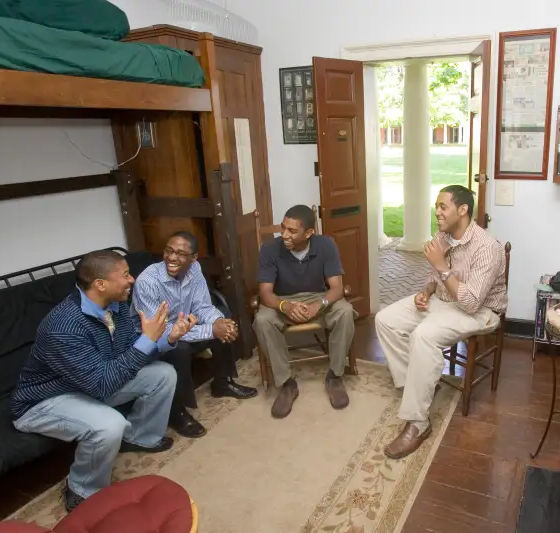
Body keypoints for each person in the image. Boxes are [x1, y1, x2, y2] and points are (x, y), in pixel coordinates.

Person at [10, 250, 194, 512]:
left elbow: (130, 354)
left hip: (89, 383)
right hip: (44, 401)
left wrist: (169, 338)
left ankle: (141, 437)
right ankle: (82, 488)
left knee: (162, 374)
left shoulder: (115, 307)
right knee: (110, 425)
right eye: (125, 274)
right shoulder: (64, 326)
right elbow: (103, 385)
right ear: (100, 284)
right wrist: (147, 339)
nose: (133, 280)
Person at [375, 185, 507, 459]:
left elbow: (471, 302)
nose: (437, 212)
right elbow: (435, 278)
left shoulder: (488, 248)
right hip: (443, 300)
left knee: (423, 336)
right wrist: (426, 291)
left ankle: (418, 422)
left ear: (462, 210)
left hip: (479, 311)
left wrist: (441, 265)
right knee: (385, 319)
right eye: (436, 206)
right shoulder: (443, 236)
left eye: (442, 207)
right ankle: (418, 382)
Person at [133, 231, 258, 439]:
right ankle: (178, 412)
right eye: (169, 251)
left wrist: (219, 323)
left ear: (194, 258)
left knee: (223, 316)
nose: (172, 258)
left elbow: (202, 306)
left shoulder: (195, 270)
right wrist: (211, 329)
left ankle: (222, 382)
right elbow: (162, 329)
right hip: (157, 335)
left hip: (187, 322)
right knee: (178, 349)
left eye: (181, 253)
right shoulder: (147, 281)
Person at [253, 205, 355, 418]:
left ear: (309, 233)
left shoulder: (326, 245)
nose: (284, 234)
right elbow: (265, 293)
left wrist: (320, 304)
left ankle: (334, 376)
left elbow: (337, 287)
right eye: (283, 228)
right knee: (263, 319)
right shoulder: (270, 249)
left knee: (345, 311)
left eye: (292, 231)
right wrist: (286, 306)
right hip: (282, 300)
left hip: (318, 298)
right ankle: (287, 384)